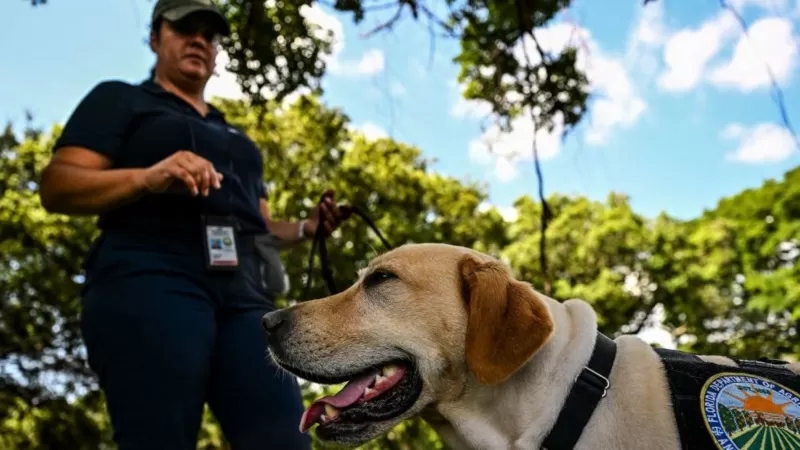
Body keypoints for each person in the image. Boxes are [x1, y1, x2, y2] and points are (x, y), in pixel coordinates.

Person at [38, 1, 348, 448]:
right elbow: (58, 186)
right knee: (158, 435)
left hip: (245, 293)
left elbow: (260, 226)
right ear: (155, 37)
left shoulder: (239, 138)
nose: (199, 40)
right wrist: (148, 177)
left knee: (286, 437)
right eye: (185, 28)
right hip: (150, 274)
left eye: (210, 33)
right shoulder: (122, 100)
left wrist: (306, 227)